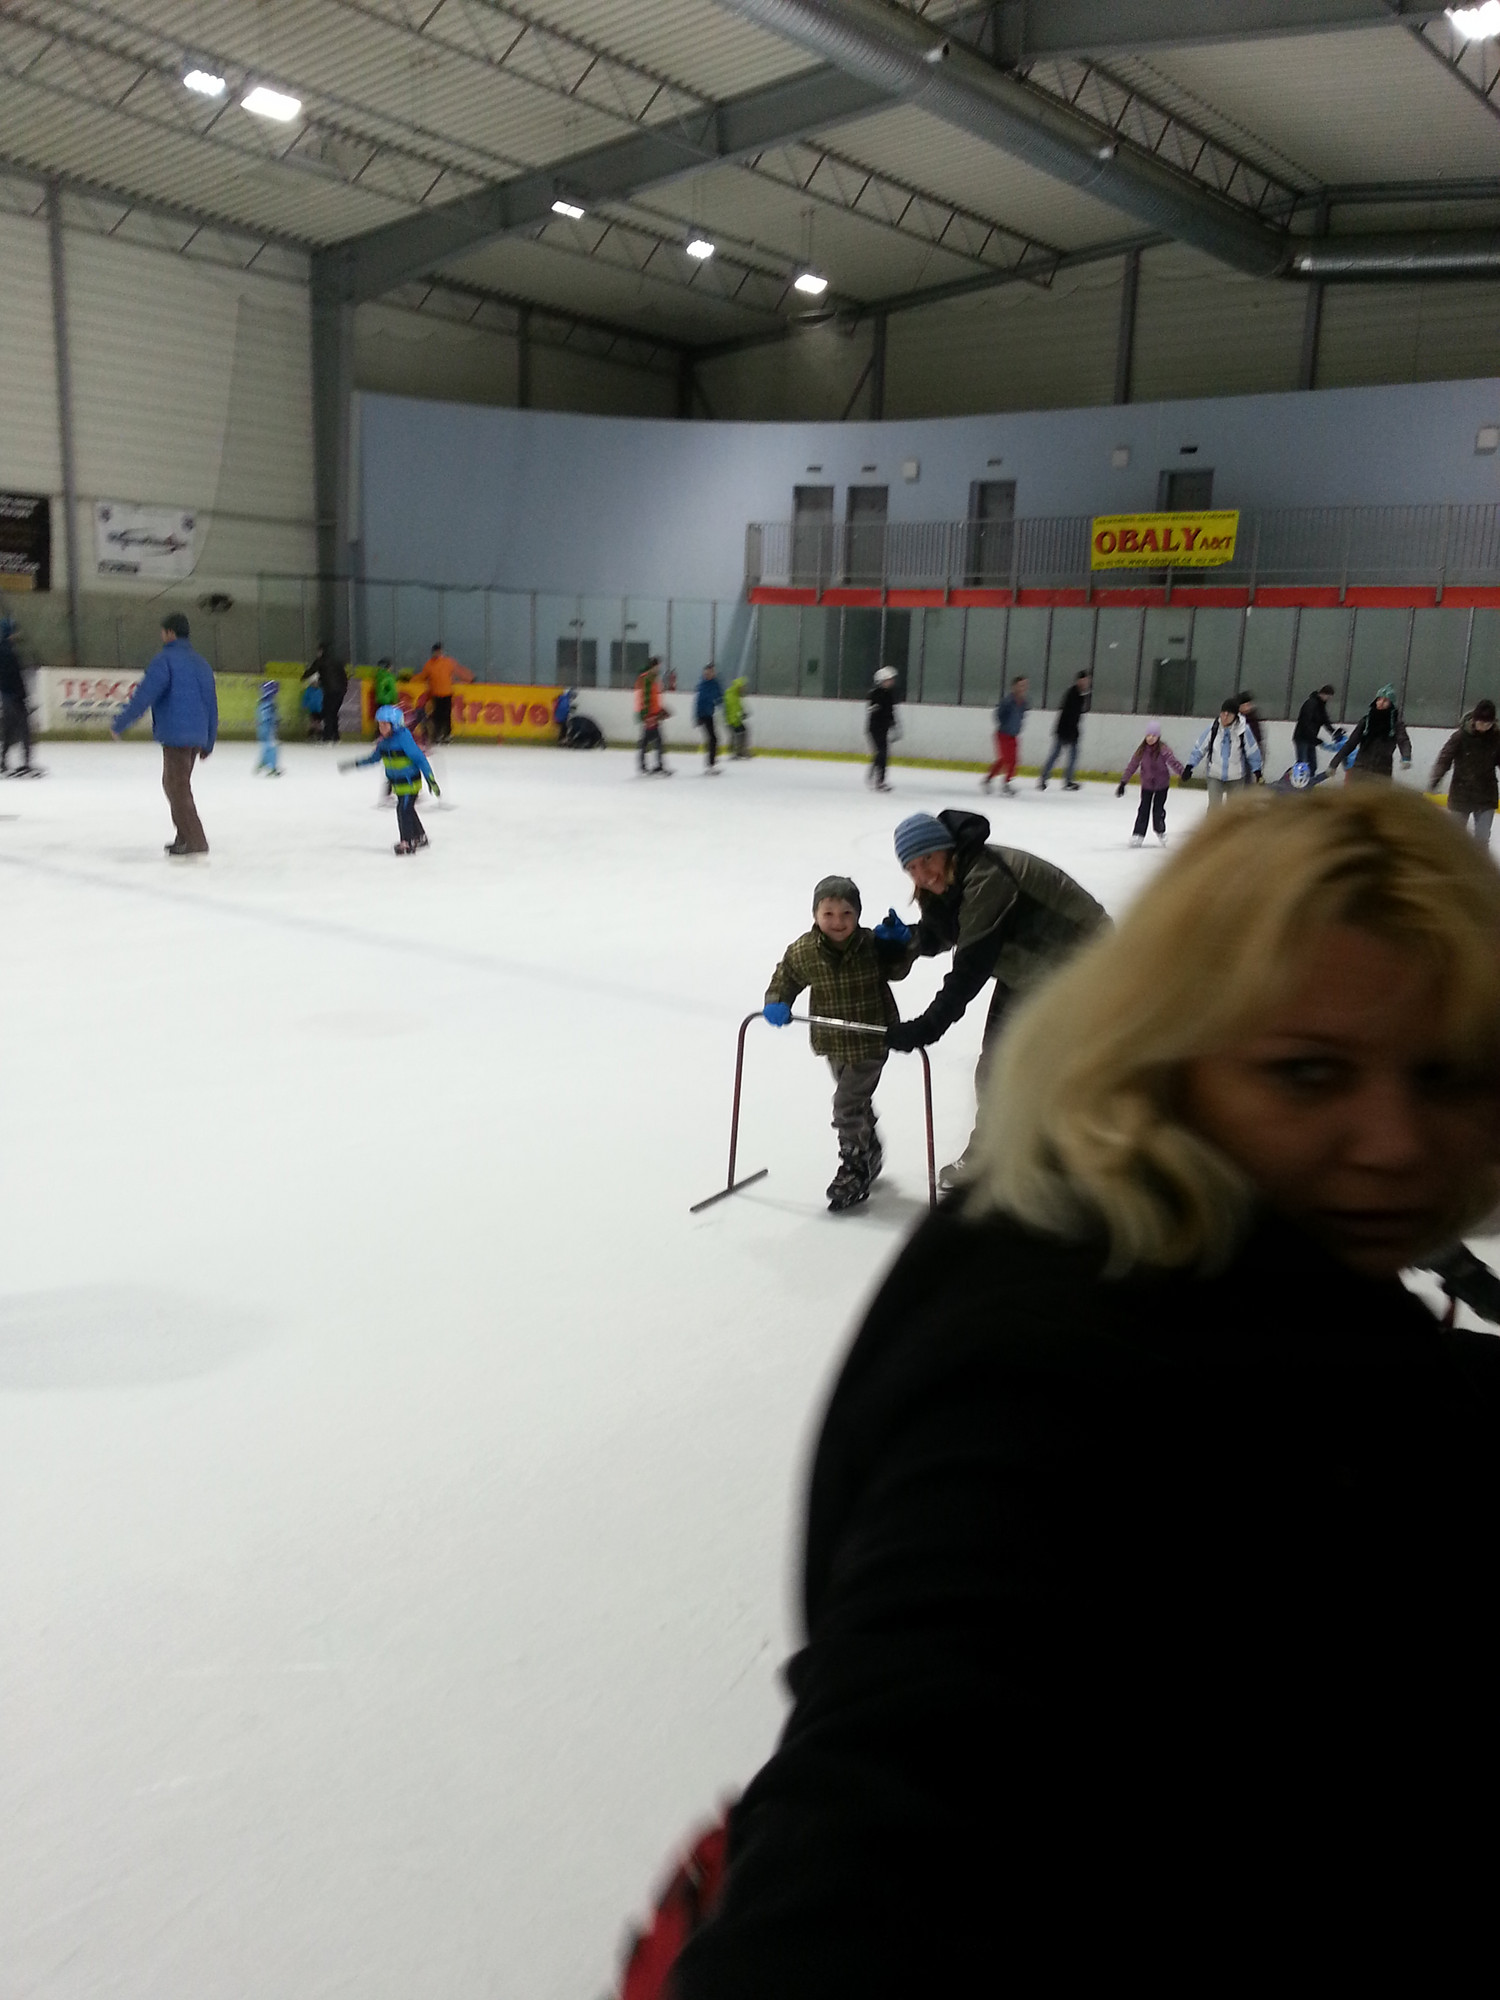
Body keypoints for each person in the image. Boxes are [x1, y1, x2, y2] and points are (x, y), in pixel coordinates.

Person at [672, 783, 1500, 1996]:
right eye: (1308, 1071)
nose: (1395, 1139)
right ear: (1175, 1059)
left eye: (1447, 1077)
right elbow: (919, 1752)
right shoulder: (1053, 1346)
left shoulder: (1305, 1291)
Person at [877, 810, 1108, 1187]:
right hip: (1029, 968)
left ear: (946, 849)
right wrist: (910, 940)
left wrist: (929, 1025)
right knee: (998, 1065)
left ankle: (1073, 1159)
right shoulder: (948, 880)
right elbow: (948, 930)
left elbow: (972, 964)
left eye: (928, 859)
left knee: (1060, 1070)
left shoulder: (986, 876)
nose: (923, 874)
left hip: (1083, 965)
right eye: (911, 868)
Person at [762, 875, 910, 1212]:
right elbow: (786, 975)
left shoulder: (871, 945)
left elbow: (897, 970)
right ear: (815, 914)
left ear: (858, 914)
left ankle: (855, 1165)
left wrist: (897, 946)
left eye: (846, 914)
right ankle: (869, 1147)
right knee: (855, 1100)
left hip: (871, 1039)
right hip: (832, 1040)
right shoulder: (805, 950)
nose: (837, 922)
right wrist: (777, 1000)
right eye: (828, 914)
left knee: (846, 1103)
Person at [109, 612, 217, 856]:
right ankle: (184, 836)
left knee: (176, 786)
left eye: (163, 631)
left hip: (176, 735)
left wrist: (121, 723)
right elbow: (212, 704)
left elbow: (144, 695)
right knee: (175, 784)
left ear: (170, 633)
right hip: (196, 736)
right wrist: (209, 740)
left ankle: (195, 840)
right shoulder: (202, 663)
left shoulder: (165, 660)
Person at [341, 703, 439, 855]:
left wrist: (431, 780)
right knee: (407, 809)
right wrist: (356, 764)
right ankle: (420, 836)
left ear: (395, 725)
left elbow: (420, 759)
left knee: (403, 809)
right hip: (398, 785)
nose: (382, 728)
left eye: (385, 725)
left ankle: (407, 842)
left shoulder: (404, 739)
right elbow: (374, 758)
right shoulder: (384, 743)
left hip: (410, 783)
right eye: (380, 724)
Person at [1429, 696, 1500, 848]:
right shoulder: (1460, 736)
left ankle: (1478, 863)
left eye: (1487, 723)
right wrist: (1435, 780)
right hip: (1461, 794)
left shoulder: (1497, 738)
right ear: (1474, 720)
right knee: (1456, 838)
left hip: (1486, 795)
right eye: (1480, 722)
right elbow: (1444, 758)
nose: (1483, 726)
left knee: (1482, 839)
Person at [1183, 697, 1263, 808]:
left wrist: (1257, 771)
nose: (1225, 717)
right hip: (1214, 774)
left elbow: (1252, 751)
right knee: (1214, 808)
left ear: (1235, 716)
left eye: (1229, 715)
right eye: (1223, 713)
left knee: (1233, 810)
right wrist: (1189, 766)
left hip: (1236, 776)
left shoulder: (1243, 730)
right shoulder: (1213, 728)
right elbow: (1199, 748)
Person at [1116, 722, 1185, 845]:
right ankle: (1138, 834)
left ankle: (1160, 831)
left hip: (1161, 785)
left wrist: (1182, 772)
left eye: (1154, 735)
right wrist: (1123, 782)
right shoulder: (1142, 750)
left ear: (1158, 736)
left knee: (1158, 811)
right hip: (1147, 785)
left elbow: (1173, 762)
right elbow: (1132, 765)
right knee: (1143, 809)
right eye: (1148, 735)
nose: (1150, 738)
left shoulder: (1163, 750)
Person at [1329, 683, 1412, 781]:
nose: (1381, 703)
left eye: (1385, 700)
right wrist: (1334, 763)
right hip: (1360, 768)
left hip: (1382, 771)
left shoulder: (1396, 724)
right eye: (1379, 699)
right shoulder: (1366, 721)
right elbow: (1351, 744)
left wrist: (1406, 757)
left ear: (1391, 704)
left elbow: (1403, 741)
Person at [1037, 669, 1090, 791]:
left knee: (1072, 756)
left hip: (1071, 731)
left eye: (1087, 681)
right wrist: (1069, 732)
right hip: (1064, 730)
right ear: (1079, 681)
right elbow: (1068, 714)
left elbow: (1076, 716)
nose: (1086, 683)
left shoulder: (1081, 695)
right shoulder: (1073, 694)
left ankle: (1067, 781)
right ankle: (1044, 778)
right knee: (1056, 755)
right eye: (1084, 680)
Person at [0, 616, 39, 777]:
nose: (16, 634)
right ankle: (26, 764)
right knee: (25, 731)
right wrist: (22, 696)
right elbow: (14, 678)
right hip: (15, 697)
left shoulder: (5, 650)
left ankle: (3, 762)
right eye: (14, 631)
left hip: (7, 697)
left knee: (9, 731)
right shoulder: (8, 653)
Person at [983, 674, 1029, 794]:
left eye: (1025, 685)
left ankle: (995, 780)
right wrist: (1005, 725)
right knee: (1008, 760)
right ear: (1014, 687)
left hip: (1014, 735)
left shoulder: (1024, 702)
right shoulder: (1008, 701)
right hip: (1003, 734)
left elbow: (1021, 716)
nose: (1023, 688)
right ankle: (1002, 782)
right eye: (1021, 685)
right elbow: (998, 715)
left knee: (1009, 760)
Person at [423, 642, 475, 745]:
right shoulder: (429, 664)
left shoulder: (448, 662)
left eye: (439, 651)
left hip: (447, 693)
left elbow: (459, 671)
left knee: (446, 715)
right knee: (437, 715)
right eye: (436, 652)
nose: (438, 653)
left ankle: (447, 734)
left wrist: (470, 678)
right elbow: (423, 676)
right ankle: (438, 735)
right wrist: (409, 680)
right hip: (436, 694)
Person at [302, 642, 348, 745]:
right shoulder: (337, 661)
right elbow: (344, 675)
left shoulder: (321, 661)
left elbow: (311, 671)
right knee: (334, 712)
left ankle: (327, 737)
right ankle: (335, 736)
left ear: (321, 651)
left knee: (328, 713)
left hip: (330, 690)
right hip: (341, 690)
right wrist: (343, 689)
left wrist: (303, 676)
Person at [1294, 681, 1340, 775]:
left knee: (1313, 765)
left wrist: (1334, 732)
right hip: (1302, 737)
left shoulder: (1321, 705)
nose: (1328, 700)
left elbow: (1325, 720)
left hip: (1311, 739)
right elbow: (1305, 722)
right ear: (1323, 694)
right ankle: (1298, 779)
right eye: (1328, 697)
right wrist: (1315, 739)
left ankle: (1309, 780)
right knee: (1302, 762)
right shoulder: (1311, 704)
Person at [866, 666, 898, 792]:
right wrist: (876, 708)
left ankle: (875, 776)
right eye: (889, 679)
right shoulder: (876, 694)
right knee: (882, 753)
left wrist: (893, 724)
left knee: (882, 753)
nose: (891, 681)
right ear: (881, 681)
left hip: (884, 728)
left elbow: (890, 711)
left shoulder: (889, 694)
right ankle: (878, 780)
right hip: (875, 728)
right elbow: (872, 709)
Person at [636, 657, 669, 774]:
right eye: (657, 666)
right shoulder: (647, 679)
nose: (658, 668)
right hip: (650, 715)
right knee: (653, 740)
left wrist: (660, 710)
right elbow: (645, 698)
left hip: (654, 714)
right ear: (652, 667)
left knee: (649, 740)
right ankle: (654, 766)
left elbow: (655, 698)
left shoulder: (654, 679)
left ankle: (645, 765)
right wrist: (648, 716)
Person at [694, 664, 725, 771]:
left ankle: (712, 762)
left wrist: (721, 704)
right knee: (713, 738)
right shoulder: (703, 685)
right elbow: (698, 702)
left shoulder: (714, 684)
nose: (708, 674)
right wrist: (697, 717)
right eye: (706, 673)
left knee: (713, 738)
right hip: (703, 715)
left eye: (711, 672)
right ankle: (711, 763)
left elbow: (719, 697)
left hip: (709, 714)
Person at [254, 678, 281, 777]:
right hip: (267, 728)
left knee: (267, 746)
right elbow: (265, 716)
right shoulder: (268, 703)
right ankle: (272, 767)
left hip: (264, 728)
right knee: (271, 746)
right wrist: (275, 720)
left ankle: (263, 763)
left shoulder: (264, 702)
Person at [724, 675, 751, 759]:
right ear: (739, 687)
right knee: (736, 735)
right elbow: (731, 710)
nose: (744, 689)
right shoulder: (731, 696)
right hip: (732, 720)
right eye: (743, 687)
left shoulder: (736, 695)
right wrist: (734, 721)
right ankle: (735, 752)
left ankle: (739, 751)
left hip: (735, 719)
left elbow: (738, 708)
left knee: (741, 733)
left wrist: (742, 713)